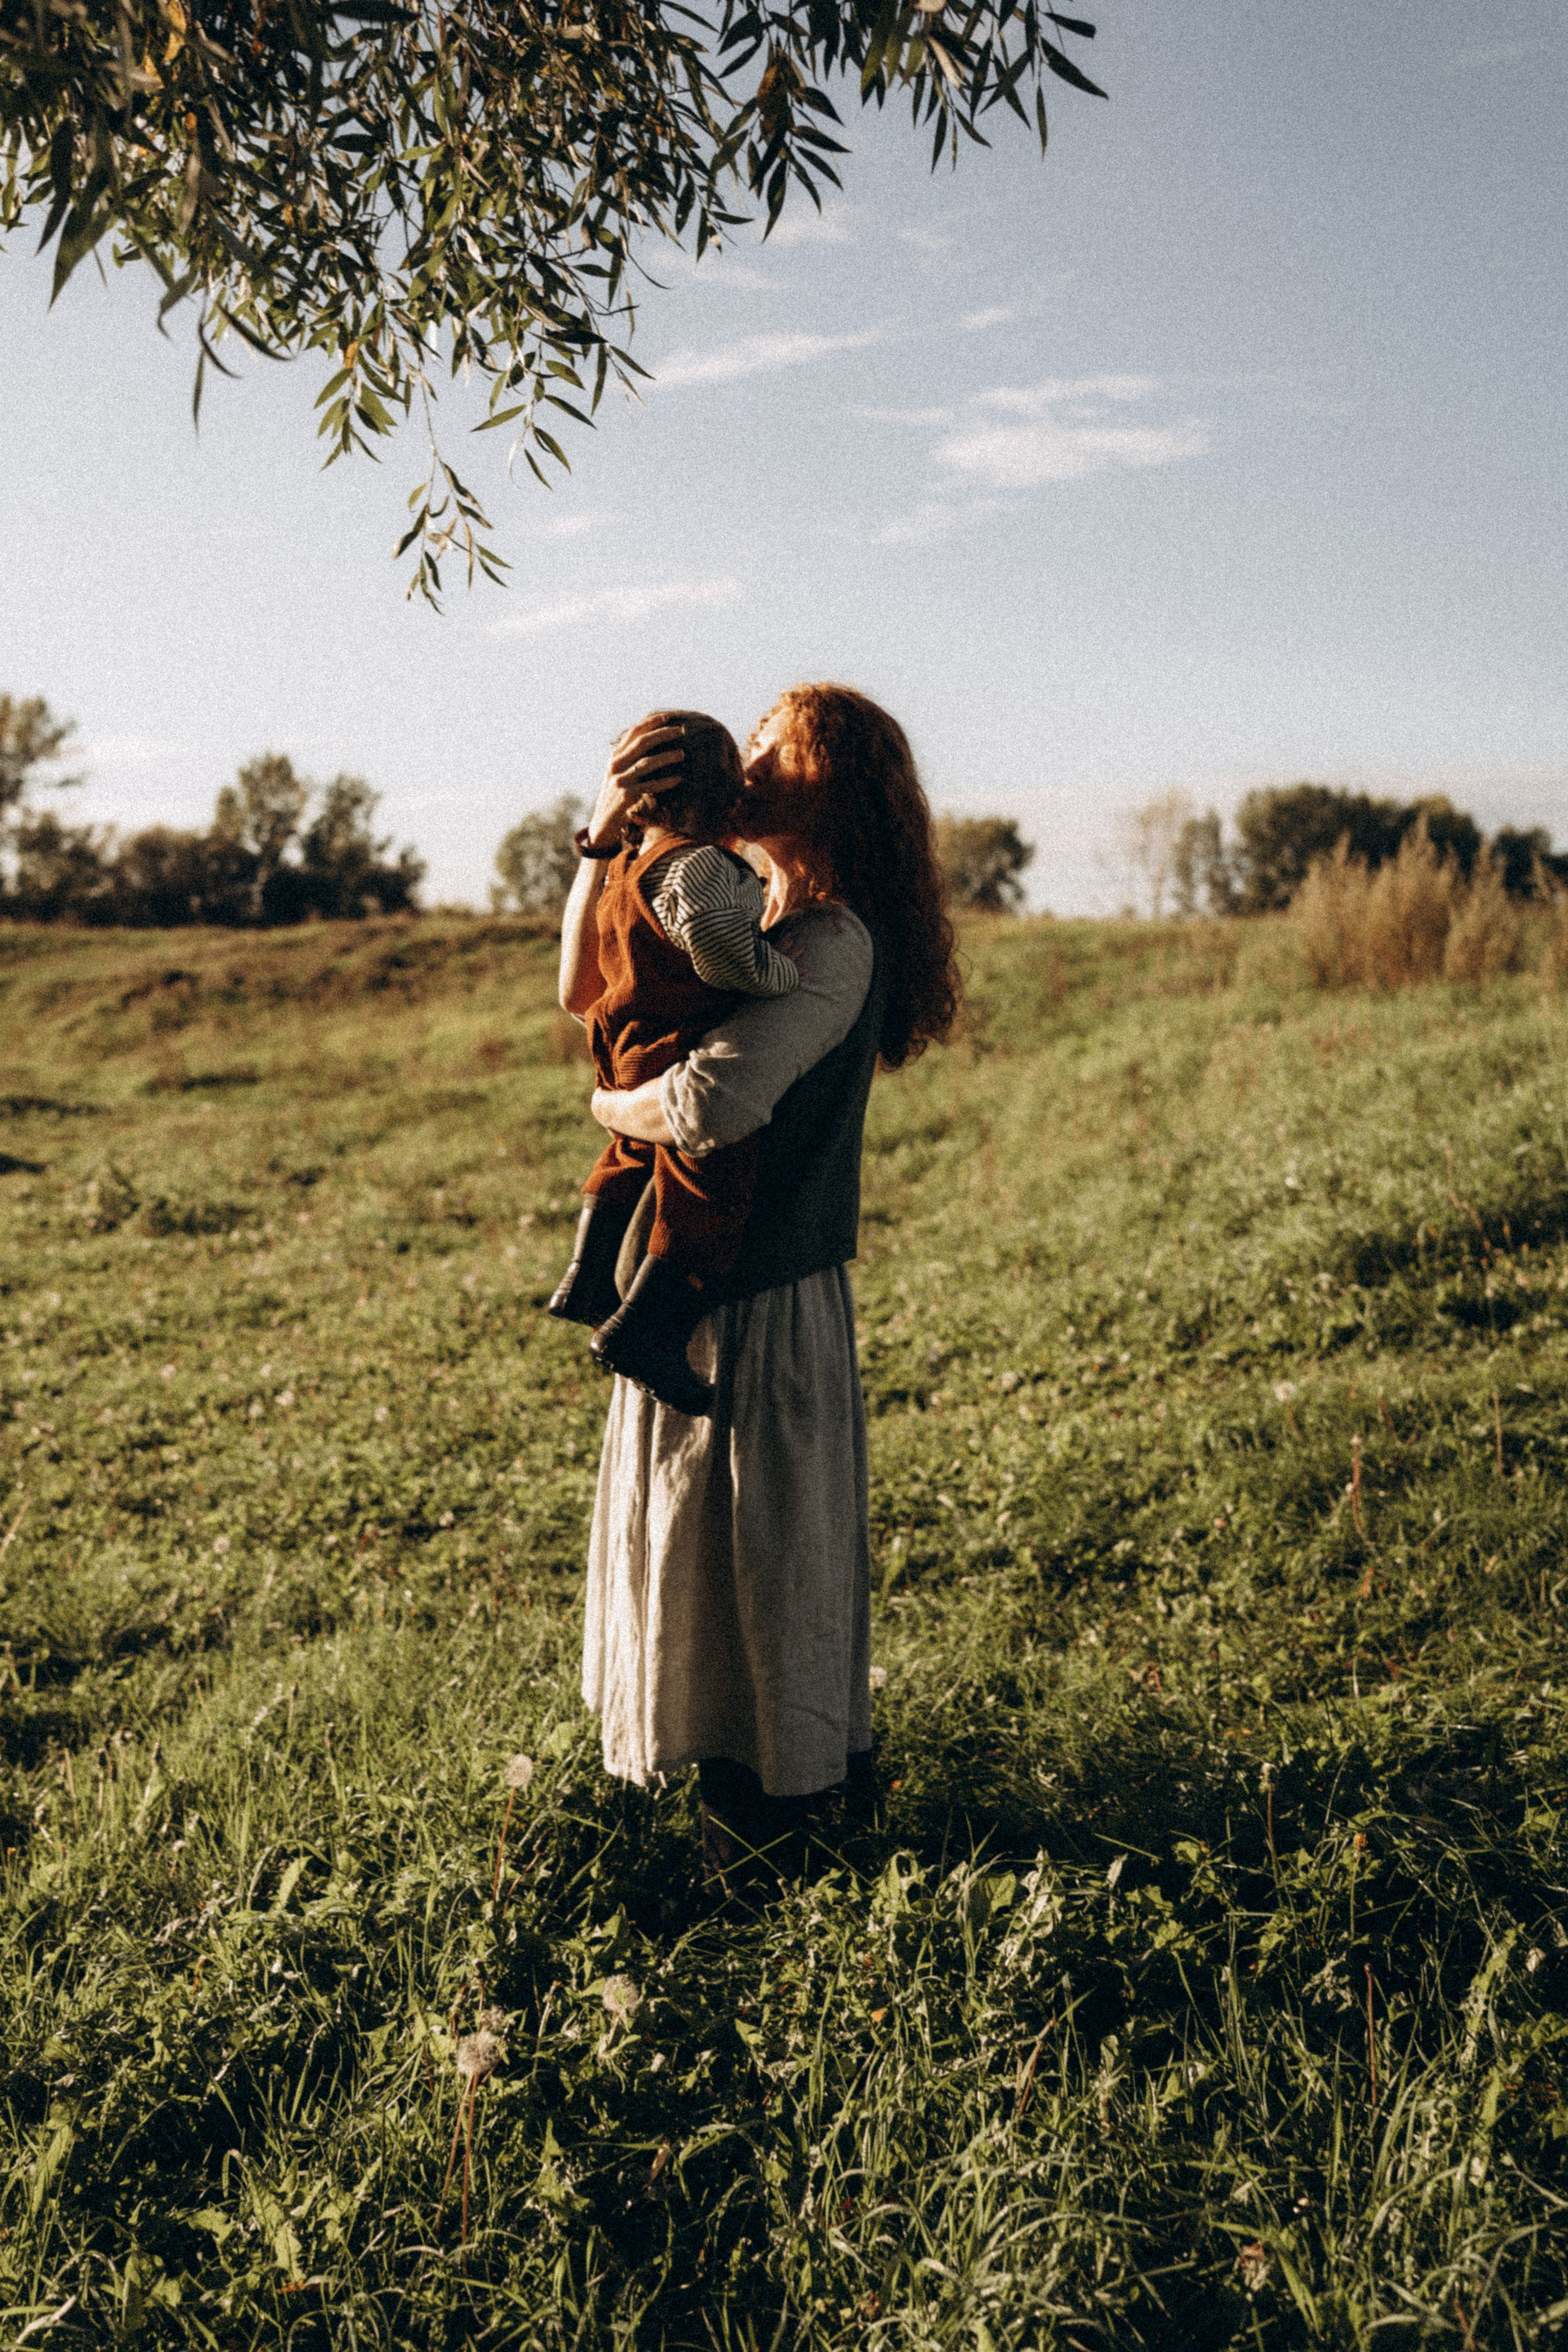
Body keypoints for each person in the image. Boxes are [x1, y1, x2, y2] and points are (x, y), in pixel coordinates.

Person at [557, 685, 960, 1885]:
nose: (752, 757)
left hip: (762, 1305)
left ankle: (767, 1849)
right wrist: (604, 827)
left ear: (835, 785)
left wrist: (605, 1109)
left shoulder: (829, 941)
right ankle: (743, 1832)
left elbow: (712, 1105)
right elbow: (587, 987)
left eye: (781, 746)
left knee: (756, 1557)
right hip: (704, 1286)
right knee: (711, 1552)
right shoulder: (747, 910)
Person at [546, 709, 800, 1416]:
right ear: (728, 797)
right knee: (705, 1188)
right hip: (673, 1052)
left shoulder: (629, 868)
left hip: (624, 1052)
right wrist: (778, 971)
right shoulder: (700, 867)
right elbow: (723, 953)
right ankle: (647, 1331)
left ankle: (587, 1275)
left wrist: (602, 845)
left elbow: (585, 990)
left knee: (628, 1155)